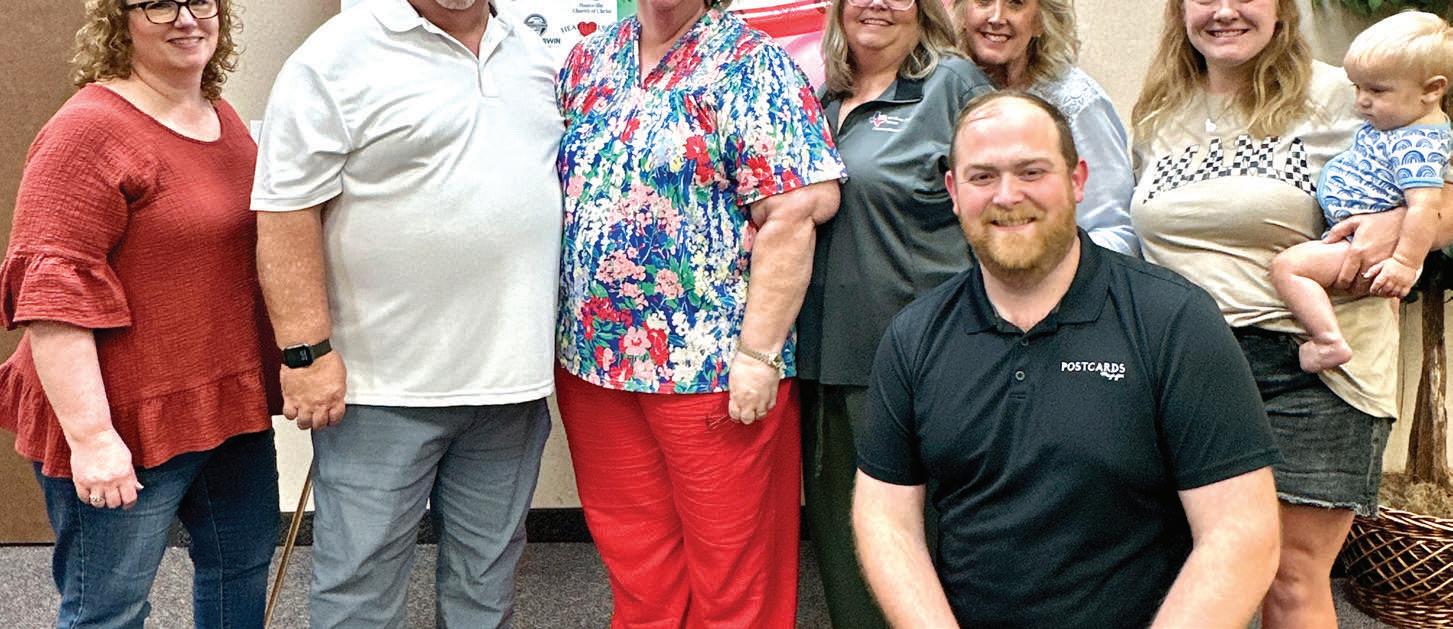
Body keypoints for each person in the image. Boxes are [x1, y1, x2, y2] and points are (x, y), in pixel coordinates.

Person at [852, 91, 1282, 628]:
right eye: (982, 177)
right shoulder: (914, 336)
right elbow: (886, 519)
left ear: (1078, 180)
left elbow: (1242, 533)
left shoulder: (1173, 320)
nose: (1007, 196)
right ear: (954, 193)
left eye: (1031, 172)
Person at [1129, 1, 1453, 626]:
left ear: (1280, 8)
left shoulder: (1349, 95)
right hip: (1184, 368)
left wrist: (1396, 227)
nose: (1225, 10)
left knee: (1289, 573)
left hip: (1310, 366)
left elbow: (1442, 197)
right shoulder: (1158, 111)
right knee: (1189, 567)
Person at [250, 0, 562, 626]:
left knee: (487, 583)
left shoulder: (533, 55)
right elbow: (285, 213)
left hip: (510, 388)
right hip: (381, 389)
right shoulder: (335, 56)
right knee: (359, 589)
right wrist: (305, 354)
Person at [554, 0, 844, 625]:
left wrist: (759, 355)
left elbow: (795, 212)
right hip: (594, 362)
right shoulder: (588, 60)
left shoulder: (752, 65)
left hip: (711, 367)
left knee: (733, 569)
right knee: (634, 556)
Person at [0, 0, 282, 626]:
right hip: (122, 417)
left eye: (200, 0)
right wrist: (93, 440)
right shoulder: (87, 131)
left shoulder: (218, 114)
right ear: (117, 20)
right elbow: (52, 299)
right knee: (108, 608)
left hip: (224, 405)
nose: (185, 18)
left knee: (239, 569)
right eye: (156, 3)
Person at [795, 0, 990, 627]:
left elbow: (1005, 213)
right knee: (849, 556)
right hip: (823, 363)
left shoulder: (952, 85)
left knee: (927, 557)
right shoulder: (821, 97)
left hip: (926, 366)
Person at [1270, 11, 1451, 372]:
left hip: (1363, 248)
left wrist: (1403, 263)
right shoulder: (1398, 121)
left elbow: (1425, 207)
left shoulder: (1418, 146)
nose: (1361, 102)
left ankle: (1327, 342)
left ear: (1432, 90)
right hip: (1355, 240)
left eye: (1377, 90)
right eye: (1357, 87)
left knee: (1288, 267)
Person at [954, 0, 1139, 256]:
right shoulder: (940, 93)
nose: (996, 17)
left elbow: (1114, 230)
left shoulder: (1076, 101)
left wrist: (1051, 274)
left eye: (1015, 3)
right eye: (983, 1)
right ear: (962, 12)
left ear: (1041, 20)